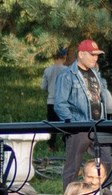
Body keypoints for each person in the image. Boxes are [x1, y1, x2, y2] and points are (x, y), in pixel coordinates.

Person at [42, 38, 103, 176]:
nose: (96, 58)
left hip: (98, 126)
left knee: (106, 164)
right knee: (72, 168)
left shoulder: (96, 74)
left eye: (97, 54)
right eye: (92, 54)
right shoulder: (67, 75)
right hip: (79, 129)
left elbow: (100, 99)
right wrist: (74, 124)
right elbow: (60, 105)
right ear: (81, 54)